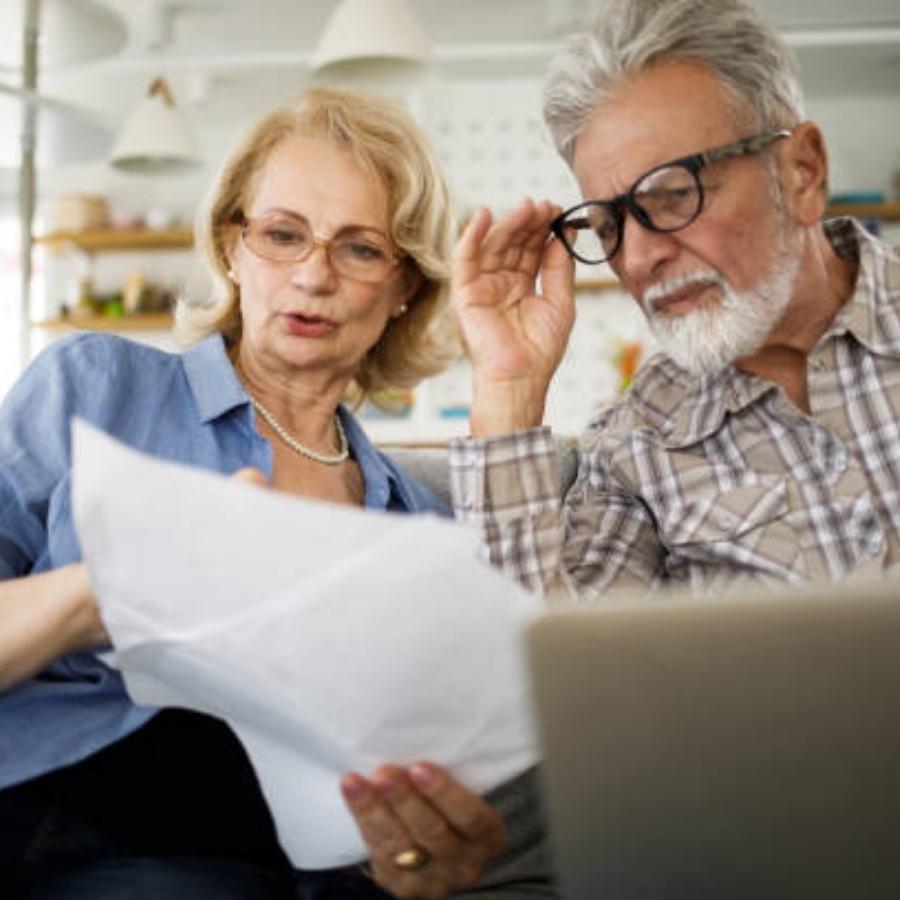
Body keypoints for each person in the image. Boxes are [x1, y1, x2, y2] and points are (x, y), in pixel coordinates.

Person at [0, 88, 549, 900]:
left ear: (404, 285)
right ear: (233, 247)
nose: (313, 275)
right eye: (283, 235)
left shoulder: (417, 525)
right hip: (60, 828)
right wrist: (98, 593)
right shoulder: (97, 386)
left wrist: (415, 858)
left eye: (360, 248)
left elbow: (401, 815)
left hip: (282, 869)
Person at [448, 0, 900, 599]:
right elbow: (551, 646)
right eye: (609, 226)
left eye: (673, 196)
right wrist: (507, 393)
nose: (636, 260)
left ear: (801, 172)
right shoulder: (636, 440)